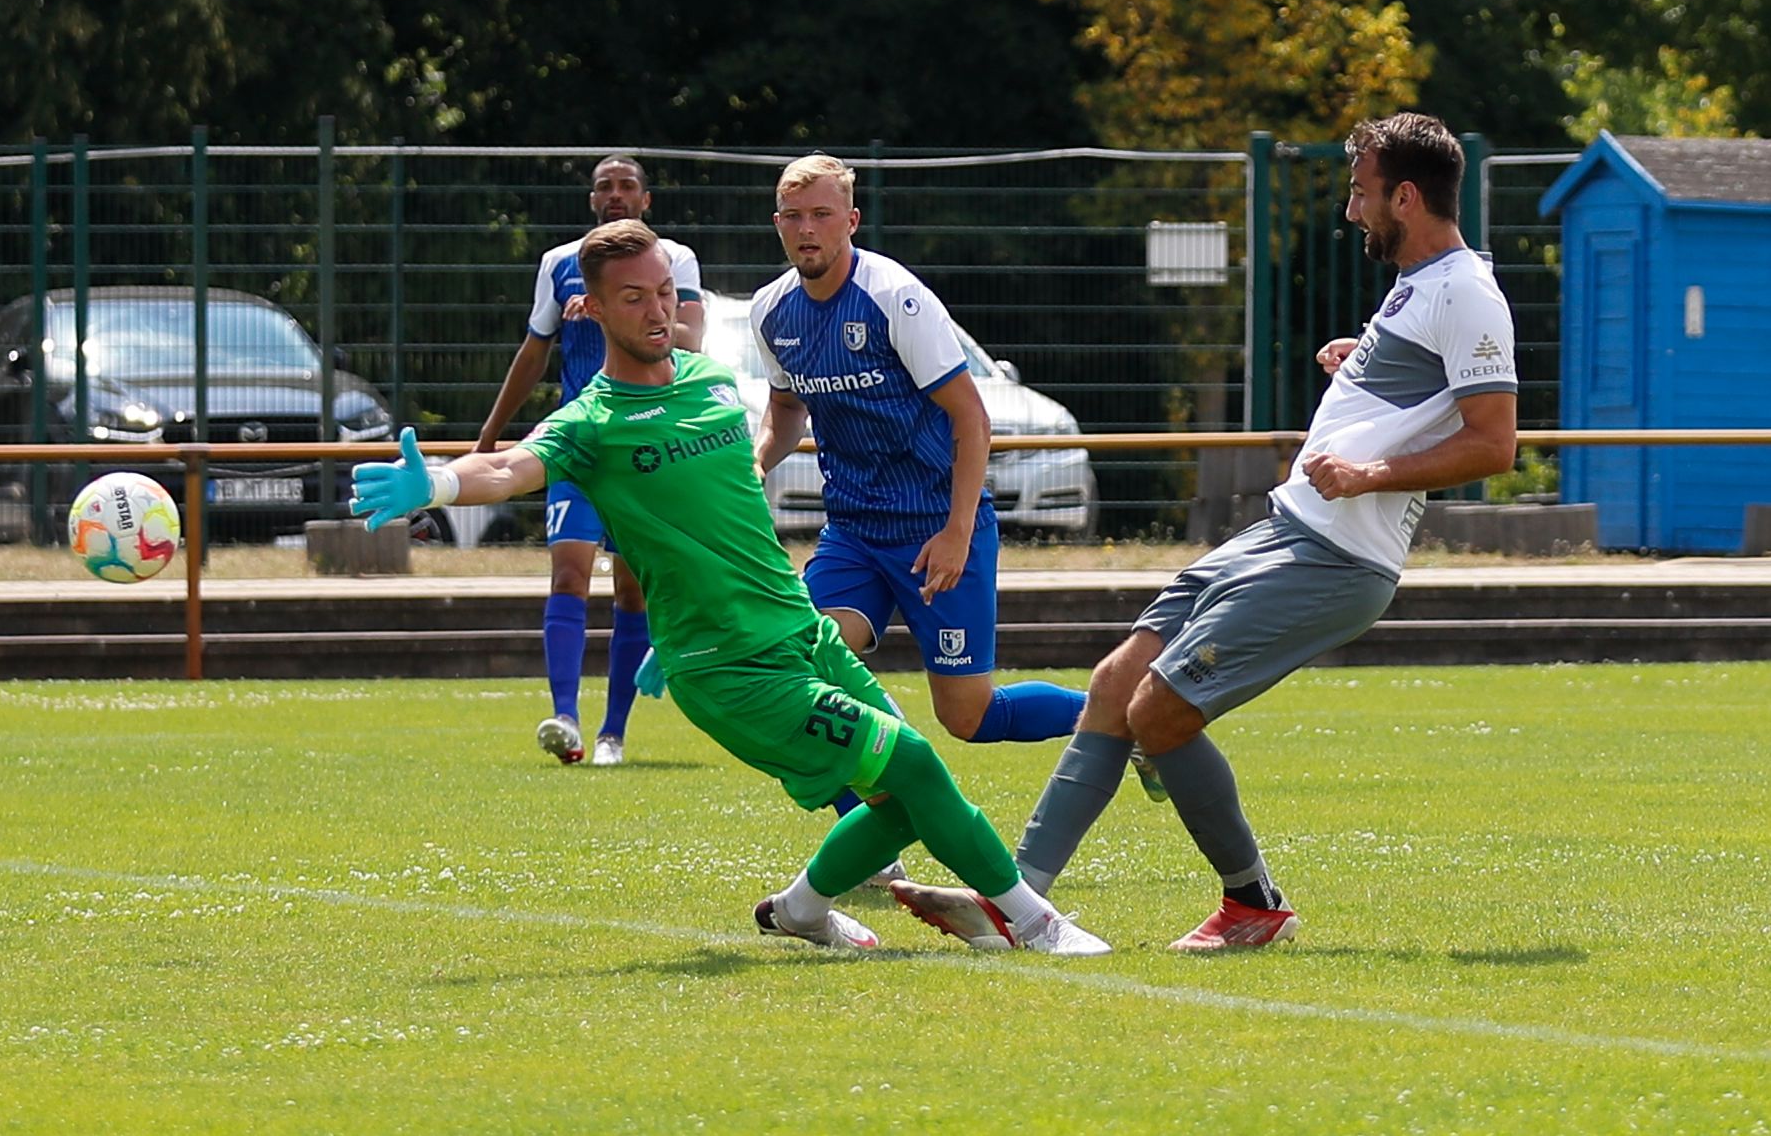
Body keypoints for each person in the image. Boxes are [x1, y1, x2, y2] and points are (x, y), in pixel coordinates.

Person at [352, 219, 1111, 956]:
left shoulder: (711, 378)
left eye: (666, 293)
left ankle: (799, 910)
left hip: (800, 634)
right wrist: (445, 480)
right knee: (911, 760)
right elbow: (510, 465)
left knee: (907, 797)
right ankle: (1034, 923)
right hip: (728, 667)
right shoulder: (590, 420)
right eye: (634, 298)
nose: (658, 311)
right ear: (590, 307)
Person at [885, 112, 1519, 953]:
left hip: (1336, 556)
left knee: (1162, 712)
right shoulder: (1418, 286)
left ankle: (1252, 903)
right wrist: (1357, 356)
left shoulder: (1466, 290)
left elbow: (1493, 442)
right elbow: (1419, 393)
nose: (1348, 211)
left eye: (1361, 193)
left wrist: (1365, 476)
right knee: (1116, 682)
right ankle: (1017, 900)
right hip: (1286, 527)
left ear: (1406, 196)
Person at [750, 154, 1088, 754]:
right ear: (777, 222)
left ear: (850, 220)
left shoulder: (895, 297)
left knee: (969, 716)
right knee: (808, 661)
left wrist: (958, 532)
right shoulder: (771, 312)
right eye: (793, 216)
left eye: (821, 215)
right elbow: (785, 409)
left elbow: (971, 418)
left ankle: (1123, 719)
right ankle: (881, 836)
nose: (806, 229)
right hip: (853, 532)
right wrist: (754, 466)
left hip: (936, 530)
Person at [473, 156, 705, 768]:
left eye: (628, 185)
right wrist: (489, 436)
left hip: (644, 445)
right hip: (579, 444)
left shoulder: (674, 260)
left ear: (646, 201)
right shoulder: (561, 265)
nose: (616, 194)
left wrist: (618, 309)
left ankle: (614, 733)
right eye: (605, 186)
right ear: (592, 200)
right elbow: (532, 353)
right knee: (569, 574)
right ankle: (566, 719)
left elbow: (690, 340)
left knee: (632, 589)